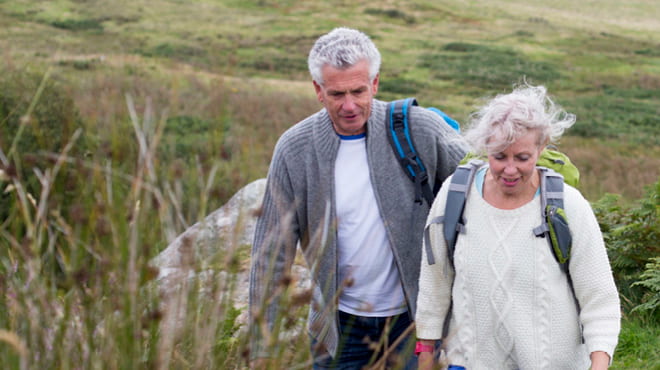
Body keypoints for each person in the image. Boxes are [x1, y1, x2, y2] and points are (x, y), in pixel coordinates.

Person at [248, 27, 468, 369]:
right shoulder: (294, 150)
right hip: (339, 327)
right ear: (318, 90)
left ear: (375, 84)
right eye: (337, 94)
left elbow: (486, 180)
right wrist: (262, 347)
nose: (349, 106)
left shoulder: (419, 129)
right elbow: (271, 254)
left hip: (416, 323)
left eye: (358, 91)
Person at [415, 83, 621, 369]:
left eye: (522, 158)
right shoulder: (455, 195)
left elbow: (599, 300)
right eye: (499, 156)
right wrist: (425, 348)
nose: (510, 170)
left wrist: (598, 363)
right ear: (485, 147)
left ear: (541, 147)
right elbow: (434, 280)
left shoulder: (568, 206)